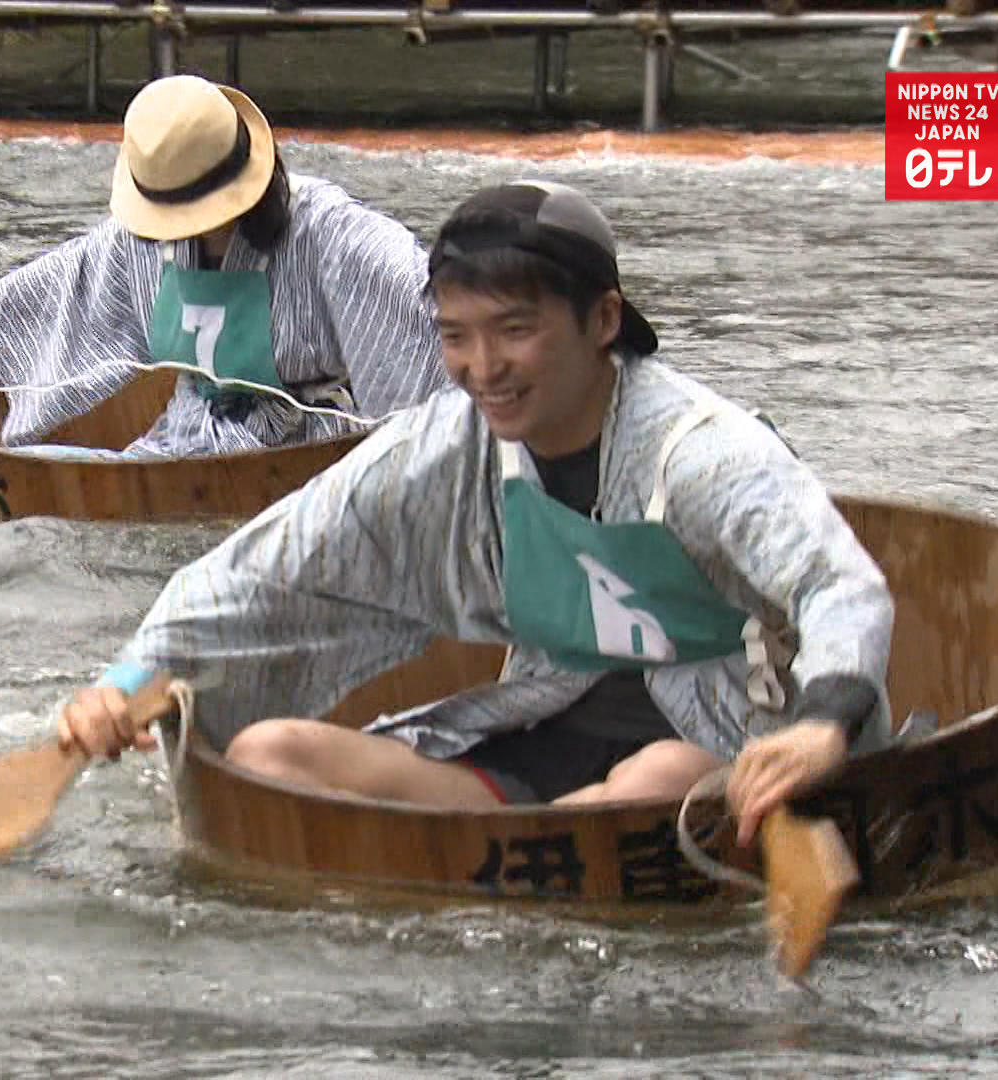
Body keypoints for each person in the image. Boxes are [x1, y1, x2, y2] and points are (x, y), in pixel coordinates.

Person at [55, 181, 895, 847]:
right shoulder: (450, 447)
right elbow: (261, 571)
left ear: (603, 320)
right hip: (544, 723)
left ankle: (501, 862)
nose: (482, 368)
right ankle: (494, 854)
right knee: (271, 756)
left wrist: (822, 727)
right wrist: (123, 685)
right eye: (455, 336)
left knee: (655, 779)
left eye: (513, 331)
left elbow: (840, 587)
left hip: (718, 739)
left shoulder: (703, 450)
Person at [0, 75, 448, 458]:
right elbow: (69, 277)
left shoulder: (327, 231)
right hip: (179, 439)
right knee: (35, 460)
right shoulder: (143, 240)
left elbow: (424, 303)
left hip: (303, 456)